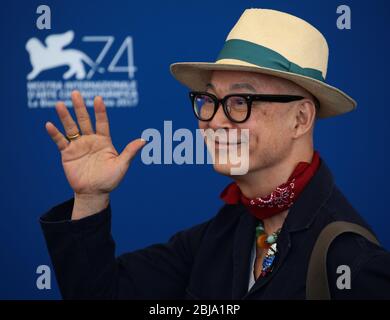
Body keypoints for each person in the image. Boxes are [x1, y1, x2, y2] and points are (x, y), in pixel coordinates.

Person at [40, 8, 390, 299]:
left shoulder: (351, 261)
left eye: (241, 101)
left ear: (300, 119)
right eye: (209, 100)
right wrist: (89, 199)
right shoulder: (220, 234)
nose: (214, 121)